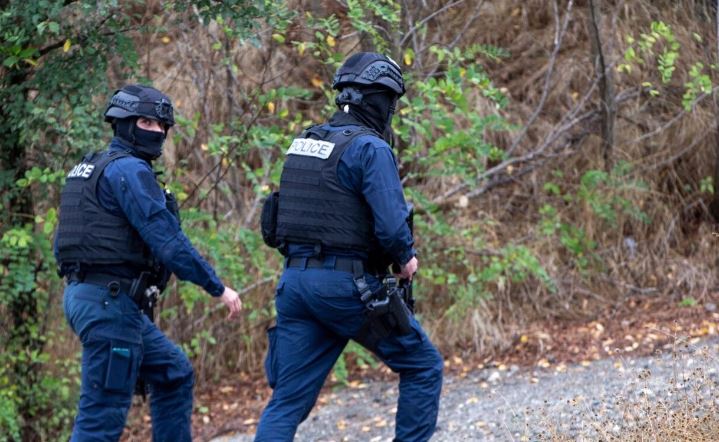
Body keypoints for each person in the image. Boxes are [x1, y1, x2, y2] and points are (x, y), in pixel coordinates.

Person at [255, 53, 443, 442]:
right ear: (379, 100)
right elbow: (392, 226)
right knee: (423, 365)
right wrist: (406, 260)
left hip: (294, 286)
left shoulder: (304, 142)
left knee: (287, 401)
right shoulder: (370, 149)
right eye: (391, 102)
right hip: (346, 290)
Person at [55, 84, 242, 441]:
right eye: (146, 122)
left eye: (161, 126)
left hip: (91, 299)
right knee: (100, 420)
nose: (156, 132)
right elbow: (167, 241)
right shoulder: (129, 171)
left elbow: (63, 245)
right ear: (123, 123)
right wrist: (216, 287)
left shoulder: (87, 168)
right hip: (109, 304)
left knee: (174, 372)